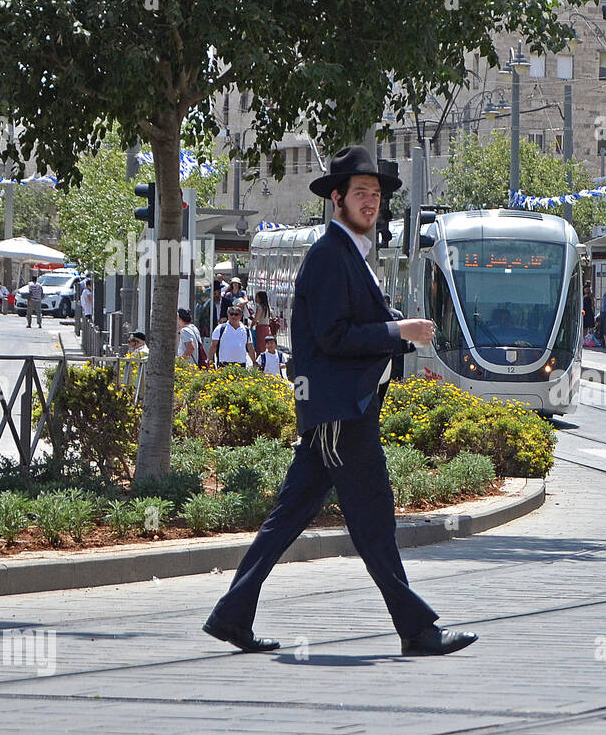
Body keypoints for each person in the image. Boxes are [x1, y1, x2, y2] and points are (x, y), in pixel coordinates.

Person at [202, 145, 475, 656]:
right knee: (374, 521)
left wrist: (393, 330)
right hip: (341, 415)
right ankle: (417, 631)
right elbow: (333, 336)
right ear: (337, 199)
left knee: (289, 517)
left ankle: (230, 616)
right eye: (360, 194)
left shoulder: (351, 254)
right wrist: (399, 330)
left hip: (336, 411)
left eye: (376, 195)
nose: (371, 202)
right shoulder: (330, 255)